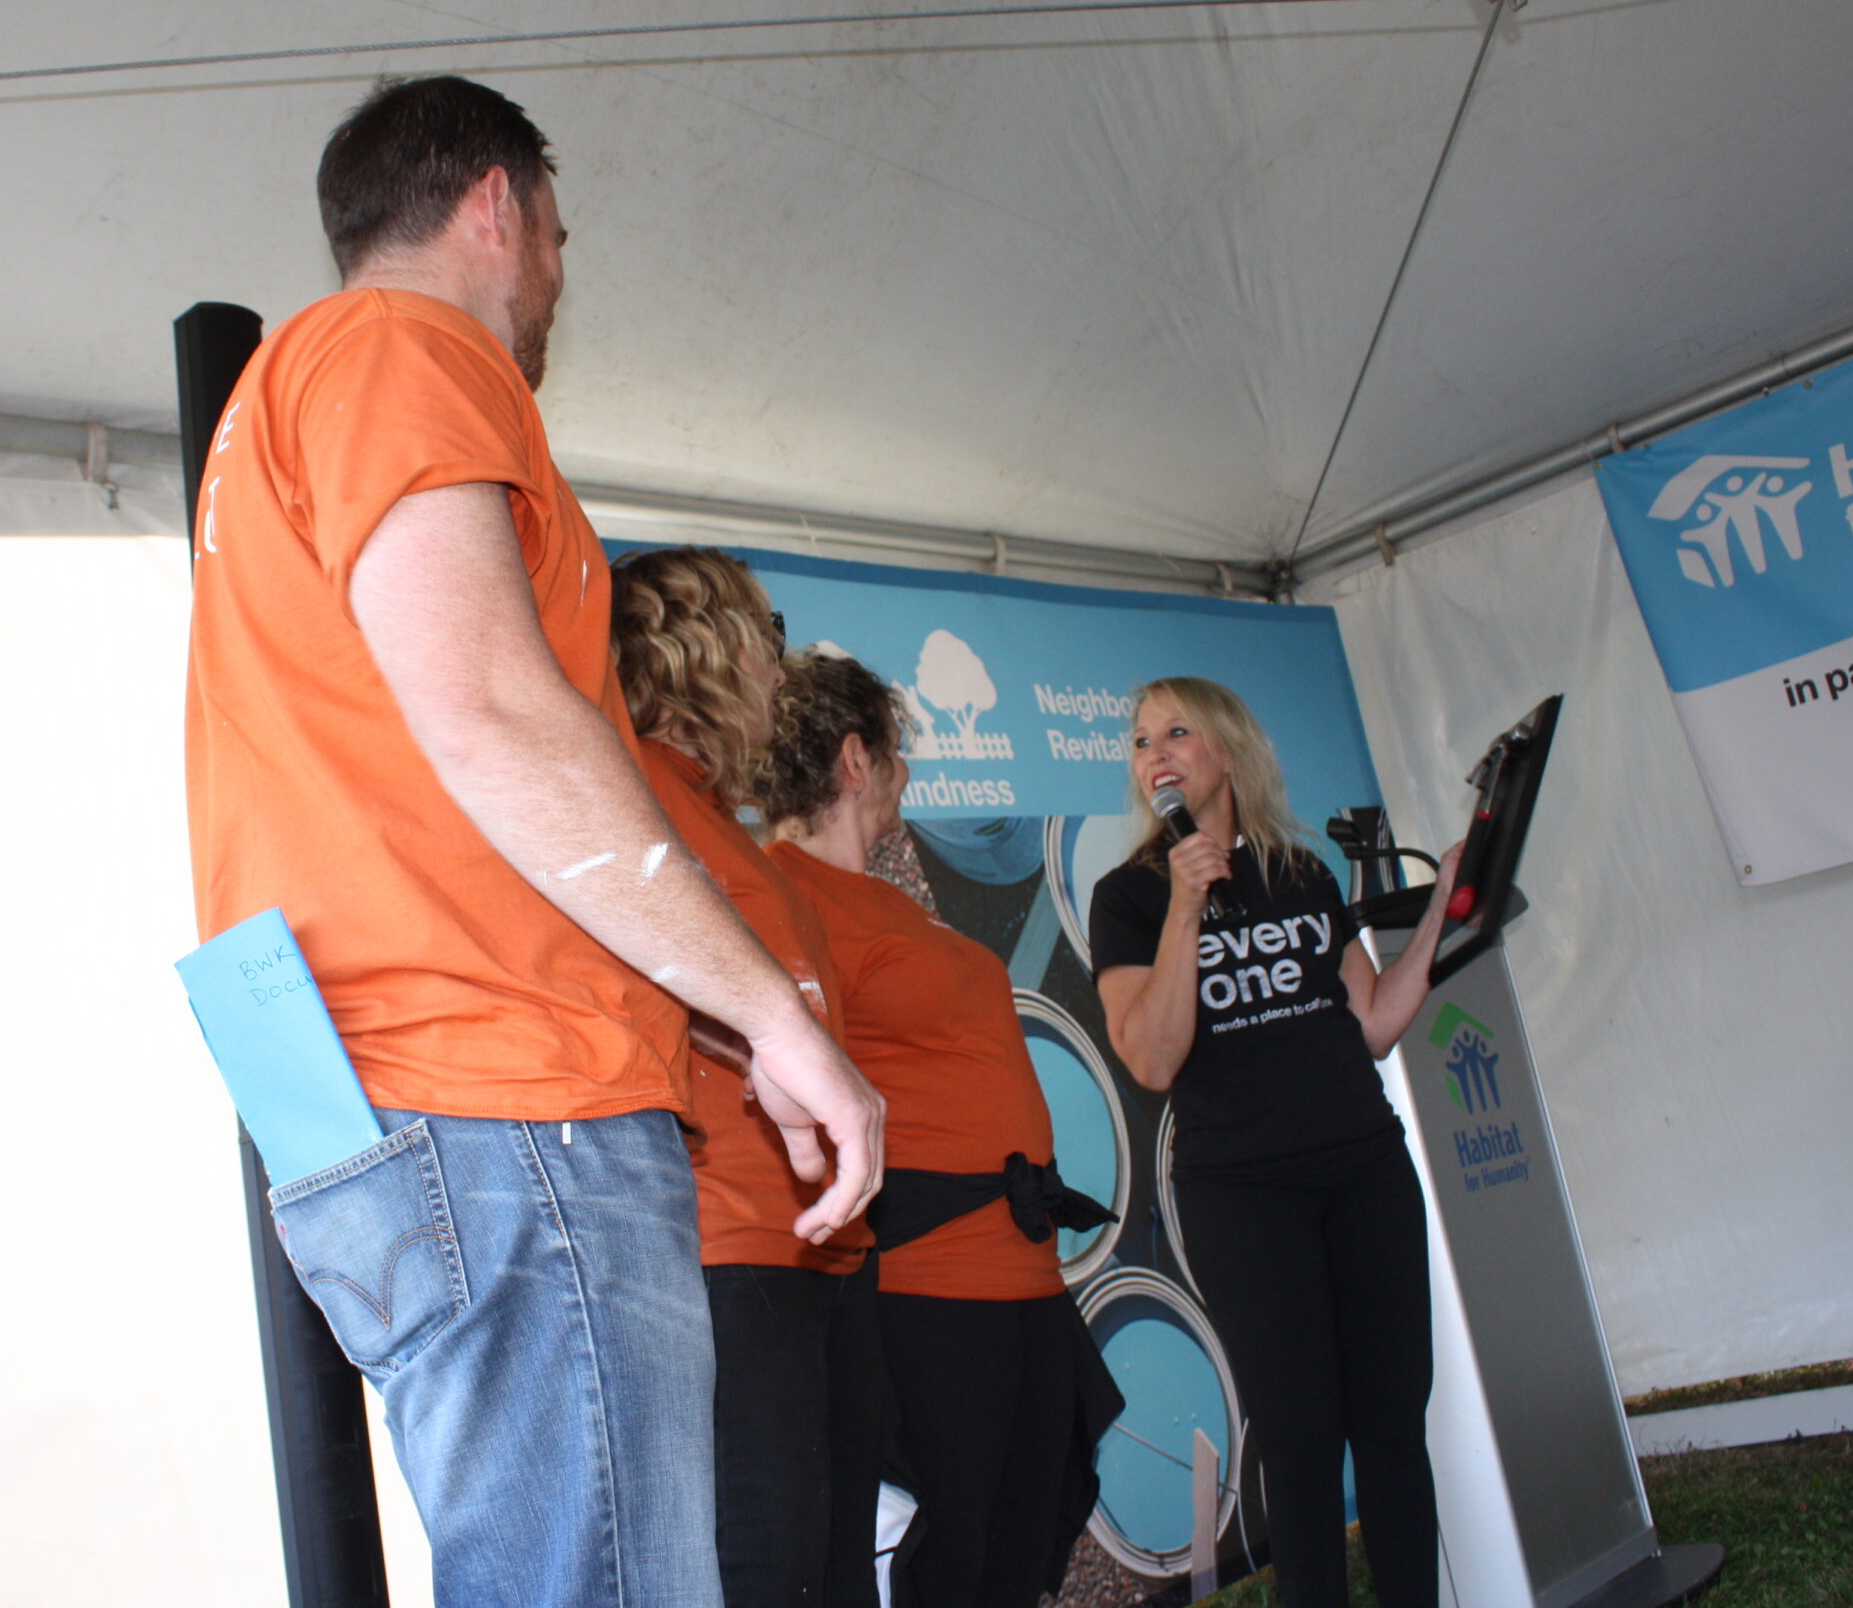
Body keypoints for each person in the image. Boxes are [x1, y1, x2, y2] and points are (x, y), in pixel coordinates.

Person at [185, 75, 882, 1608]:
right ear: (497, 205)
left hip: (384, 1091)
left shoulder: (278, 405)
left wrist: (718, 1011)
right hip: (503, 1092)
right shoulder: (404, 345)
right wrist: (774, 1015)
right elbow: (494, 711)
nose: (559, 276)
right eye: (560, 236)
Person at [1089, 678, 1461, 1608]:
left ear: (1227, 749)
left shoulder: (1301, 871)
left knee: (1392, 1424)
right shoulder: (1128, 896)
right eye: (1140, 740)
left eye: (1177, 731)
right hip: (1244, 1194)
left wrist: (1446, 913)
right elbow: (1153, 1058)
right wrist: (1184, 907)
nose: (1155, 753)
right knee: (1299, 1441)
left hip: (1364, 1168)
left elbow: (1373, 1023)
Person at [762, 651, 1112, 1608]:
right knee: (948, 1568)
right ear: (855, 760)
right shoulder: (777, 891)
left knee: (1014, 1561)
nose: (908, 775)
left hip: (1020, 1278)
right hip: (926, 1292)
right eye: (896, 752)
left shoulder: (878, 899)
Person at [612, 547, 885, 1608]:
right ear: (710, 644)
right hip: (725, 1254)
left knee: (833, 1577)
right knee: (765, 1574)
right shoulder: (621, 792)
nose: (782, 666)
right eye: (770, 634)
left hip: (817, 1256)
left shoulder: (714, 817)